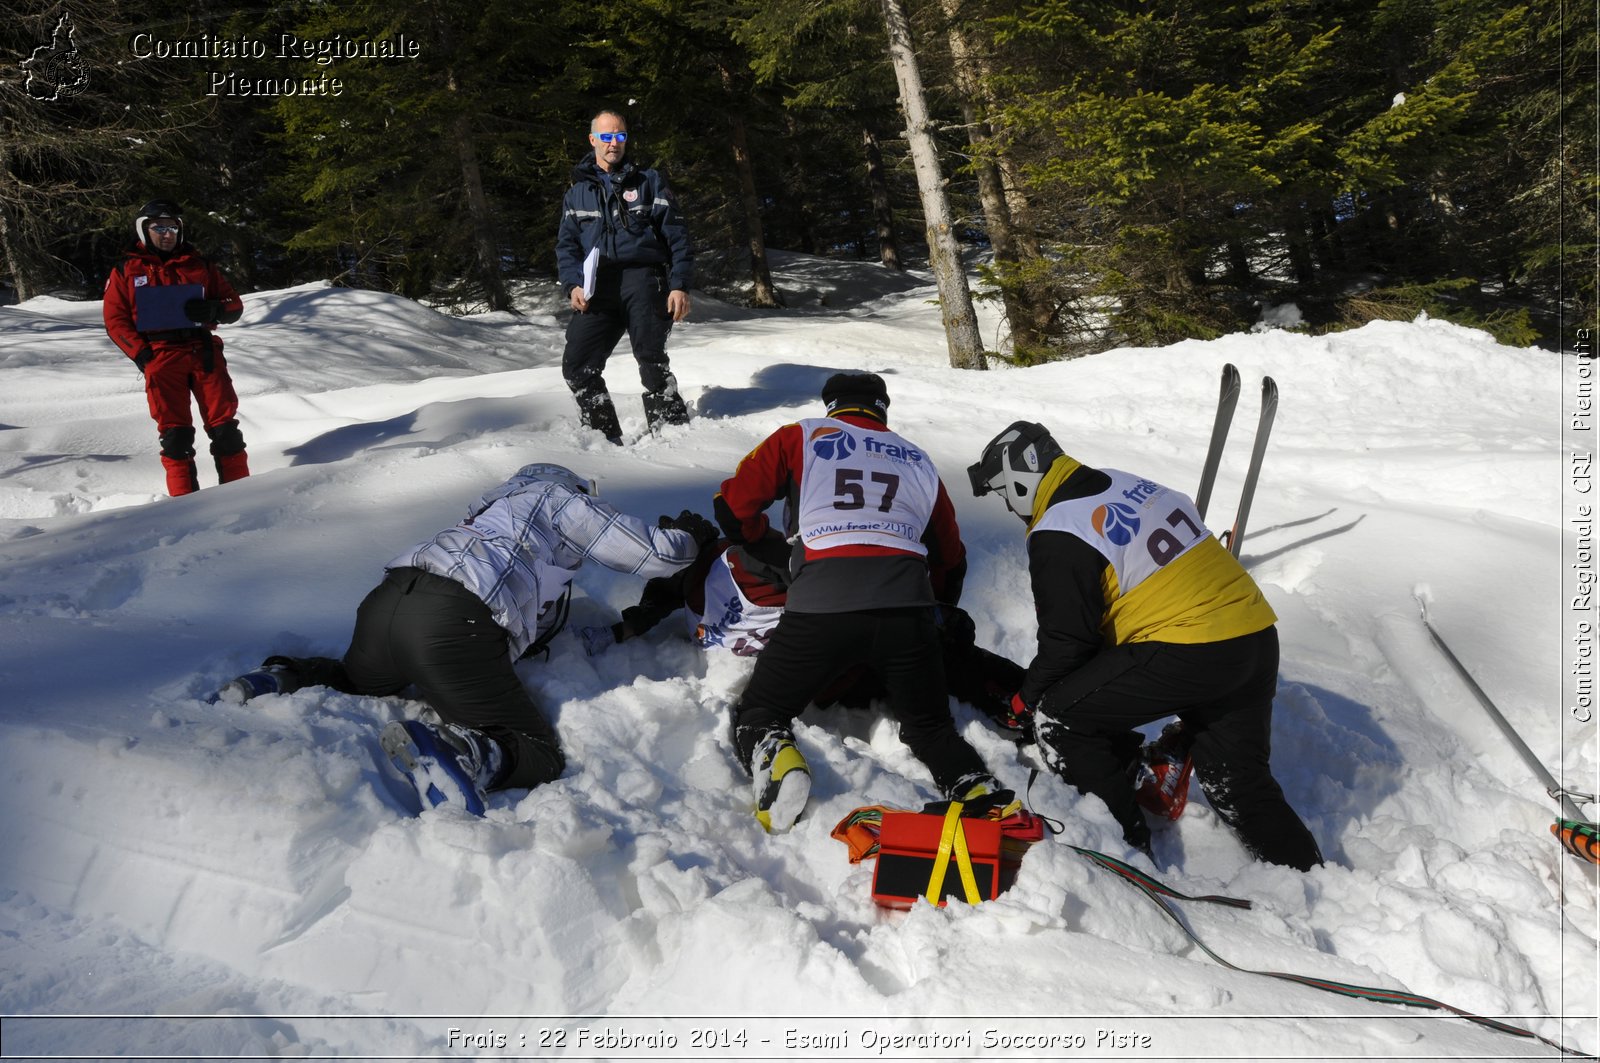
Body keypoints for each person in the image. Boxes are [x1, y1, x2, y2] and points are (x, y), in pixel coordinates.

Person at [222, 464, 717, 816]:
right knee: (537, 751)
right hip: (453, 622)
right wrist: (690, 539)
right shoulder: (556, 499)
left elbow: (550, 638)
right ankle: (465, 753)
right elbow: (657, 554)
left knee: (358, 680)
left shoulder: (485, 521)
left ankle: (279, 678)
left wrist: (619, 630)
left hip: (388, 602)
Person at [967, 421, 1323, 870]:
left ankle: (1124, 851)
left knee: (1062, 718)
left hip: (1191, 648)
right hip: (1252, 635)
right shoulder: (1123, 481)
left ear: (1018, 481)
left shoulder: (1059, 529)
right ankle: (1312, 878)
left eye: (1003, 494)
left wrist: (1026, 699)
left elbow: (1067, 645)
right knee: (1241, 786)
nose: (1008, 505)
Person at [712, 372, 1012, 833]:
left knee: (760, 710)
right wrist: (930, 612)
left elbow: (734, 507)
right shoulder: (918, 459)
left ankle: (775, 753)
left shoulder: (801, 436)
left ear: (831, 405)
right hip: (906, 613)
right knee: (931, 730)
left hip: (821, 604)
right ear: (882, 408)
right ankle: (978, 793)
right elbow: (951, 558)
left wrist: (766, 544)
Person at [577, 533, 1026, 730]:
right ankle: (1013, 700)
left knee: (938, 660)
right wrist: (618, 631)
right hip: (826, 674)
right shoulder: (696, 584)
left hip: (840, 648)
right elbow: (653, 603)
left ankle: (1025, 696)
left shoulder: (740, 562)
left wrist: (928, 615)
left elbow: (829, 573)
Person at [554, 108, 693, 444]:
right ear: (592, 140)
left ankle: (675, 433)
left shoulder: (648, 181)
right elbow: (566, 246)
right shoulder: (576, 194)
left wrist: (679, 285)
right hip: (597, 286)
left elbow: (677, 236)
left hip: (643, 280)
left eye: (620, 136)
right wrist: (573, 284)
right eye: (606, 136)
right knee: (577, 364)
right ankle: (604, 436)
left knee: (650, 356)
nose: (613, 143)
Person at [103, 199, 249, 496]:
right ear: (144, 231)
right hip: (161, 356)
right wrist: (143, 356)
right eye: (159, 228)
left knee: (226, 431)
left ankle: (243, 497)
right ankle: (184, 506)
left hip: (203, 354)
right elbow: (114, 319)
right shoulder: (126, 269)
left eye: (173, 227)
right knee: (176, 437)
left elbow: (233, 305)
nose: (167, 234)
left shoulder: (200, 265)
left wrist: (213, 310)